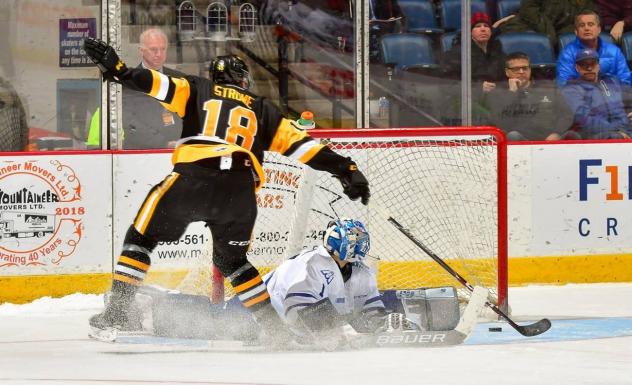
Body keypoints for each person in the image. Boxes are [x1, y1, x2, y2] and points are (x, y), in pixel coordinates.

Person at [82, 37, 371, 343]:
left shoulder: (197, 88)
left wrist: (119, 70)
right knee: (234, 262)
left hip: (194, 176)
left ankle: (116, 312)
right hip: (240, 191)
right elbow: (306, 148)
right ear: (244, 81)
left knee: (141, 238)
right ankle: (274, 331)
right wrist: (347, 170)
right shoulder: (263, 109)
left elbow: (154, 82)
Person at [263, 218, 387, 347]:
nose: (361, 244)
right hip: (264, 317)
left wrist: (384, 324)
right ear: (337, 242)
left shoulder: (362, 272)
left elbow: (372, 311)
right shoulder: (311, 264)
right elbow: (297, 307)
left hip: (295, 327)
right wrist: (339, 332)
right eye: (354, 239)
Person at [487, 52, 572, 141]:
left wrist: (556, 133)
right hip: (522, 140)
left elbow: (566, 115)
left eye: (525, 68)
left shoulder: (547, 88)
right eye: (516, 69)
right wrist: (512, 93)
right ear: (507, 72)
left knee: (572, 135)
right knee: (513, 136)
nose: (521, 72)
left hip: (550, 138)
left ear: (530, 70)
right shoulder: (499, 93)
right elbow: (501, 122)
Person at [122, 28, 184, 149]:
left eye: (163, 49)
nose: (159, 54)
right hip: (141, 153)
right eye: (153, 49)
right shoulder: (129, 81)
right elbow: (129, 122)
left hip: (177, 150)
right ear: (141, 50)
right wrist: (163, 143)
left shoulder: (179, 79)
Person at [561, 48, 632, 139]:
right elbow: (584, 120)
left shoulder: (612, 81)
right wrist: (618, 132)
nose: (589, 68)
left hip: (625, 131)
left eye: (592, 64)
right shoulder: (571, 89)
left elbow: (629, 98)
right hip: (598, 137)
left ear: (598, 66)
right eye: (584, 65)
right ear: (577, 68)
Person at [556, 11, 631, 87]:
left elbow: (626, 81)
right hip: (580, 96)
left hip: (610, 96)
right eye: (582, 25)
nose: (586, 28)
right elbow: (563, 84)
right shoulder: (567, 53)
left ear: (599, 29)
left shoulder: (614, 52)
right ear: (576, 31)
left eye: (590, 24)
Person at [496, 0, 597, 47]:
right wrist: (549, 33)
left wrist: (560, 36)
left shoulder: (585, 3)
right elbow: (528, 9)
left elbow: (590, 17)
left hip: (558, 36)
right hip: (529, 25)